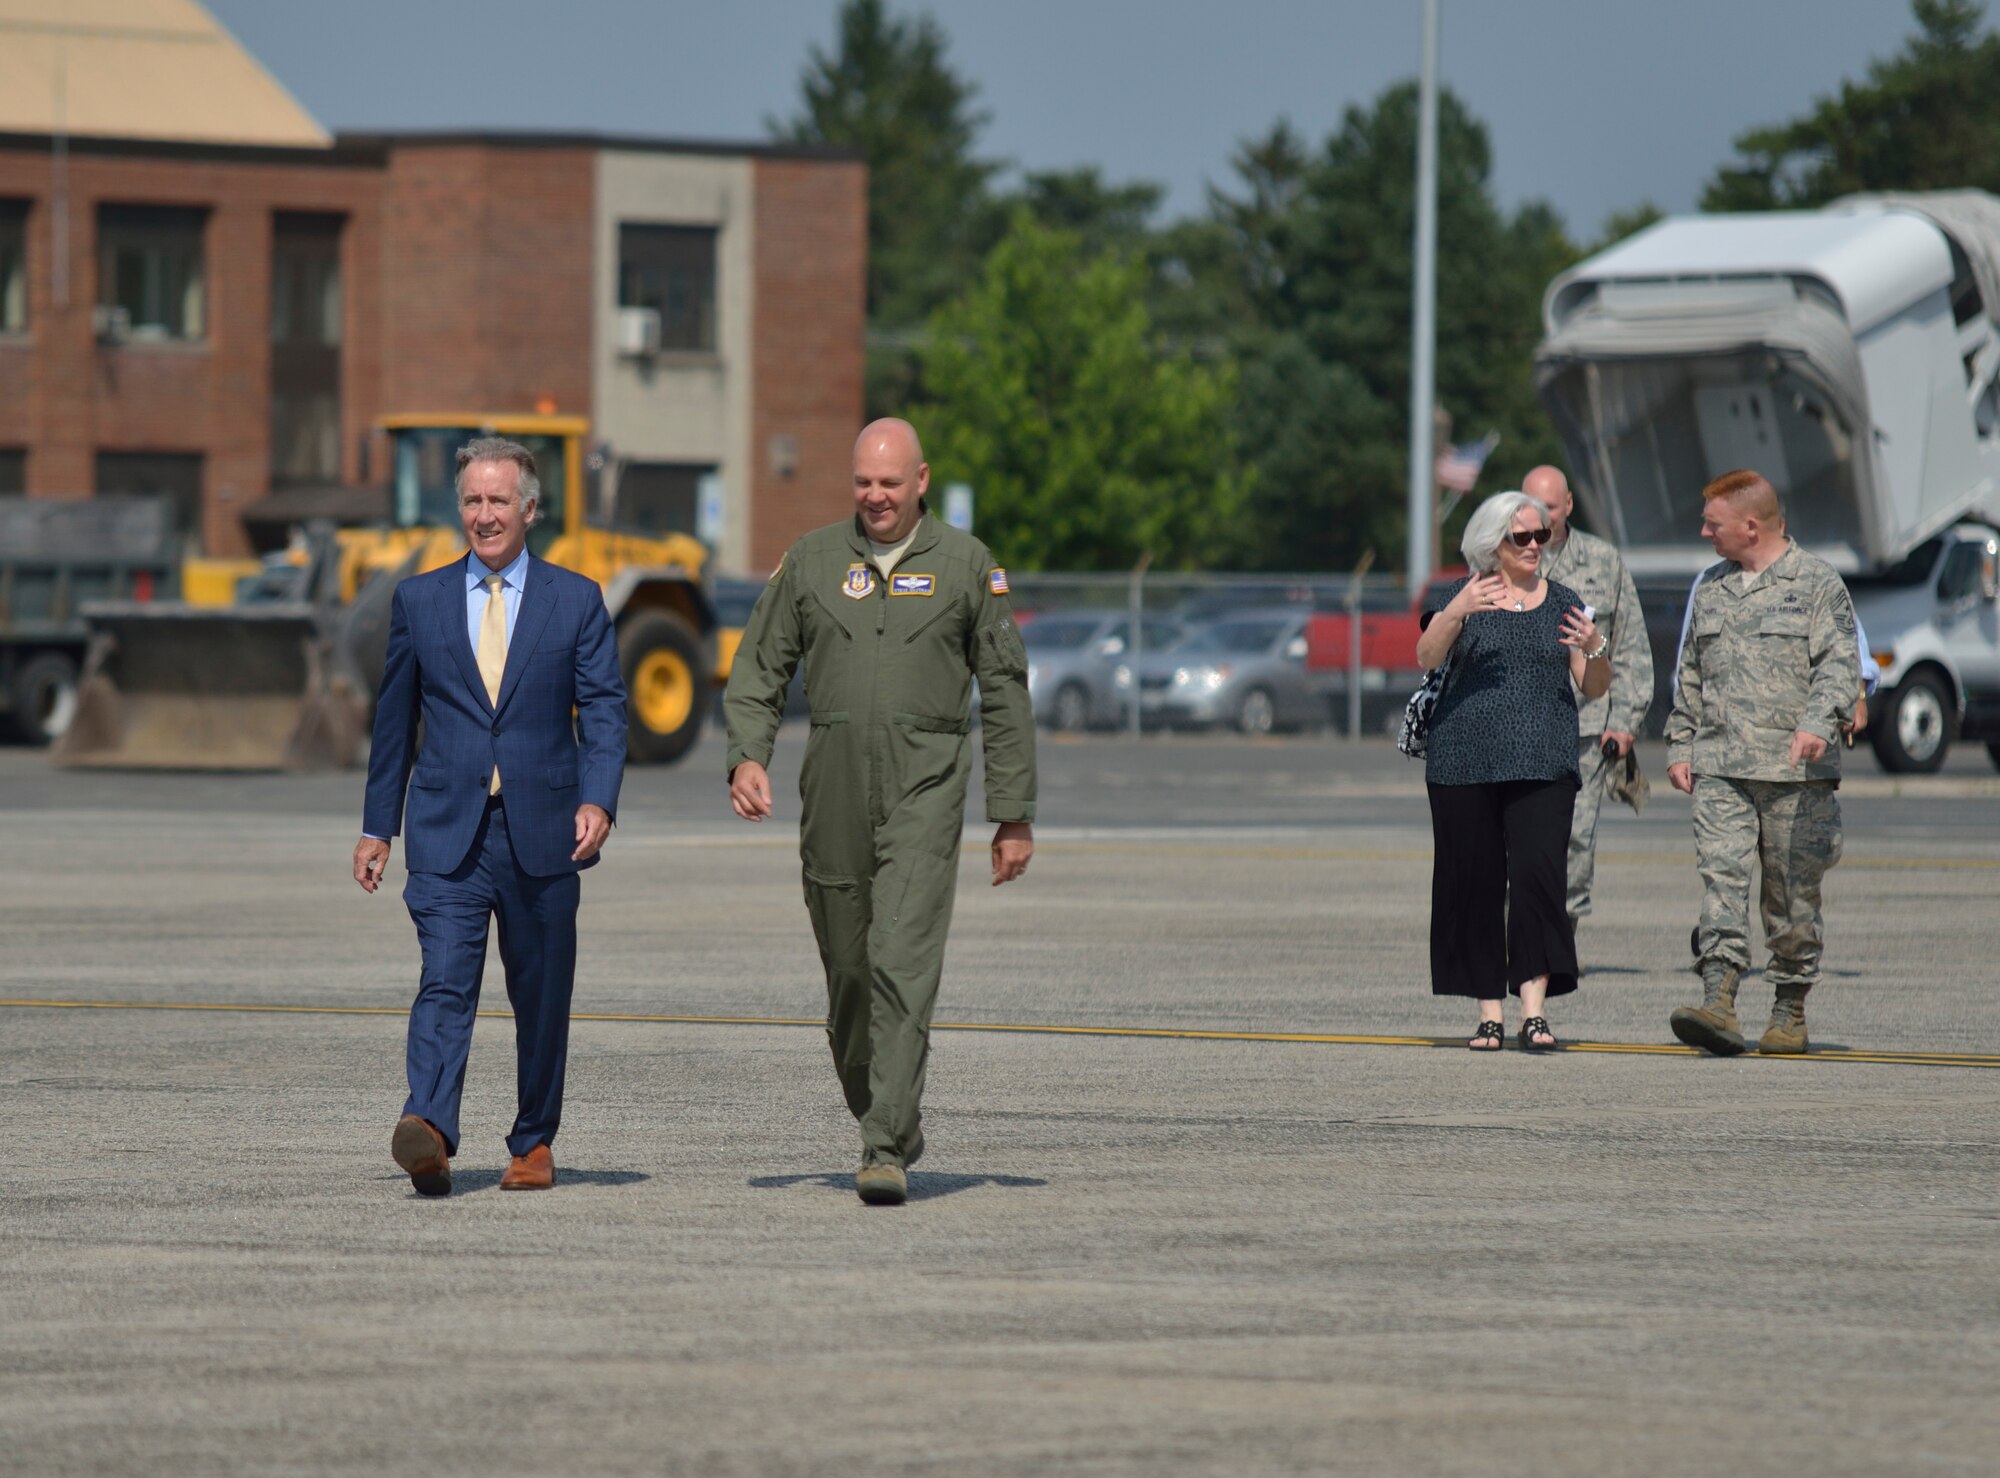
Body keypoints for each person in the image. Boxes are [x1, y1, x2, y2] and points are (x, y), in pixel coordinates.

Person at [723, 419, 1037, 1206]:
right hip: (830, 789)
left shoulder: (968, 566)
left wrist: (1013, 813)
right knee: (851, 974)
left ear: (921, 480)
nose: (875, 497)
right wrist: (748, 753)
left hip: (925, 787)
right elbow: (762, 662)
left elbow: (1003, 691)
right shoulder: (815, 560)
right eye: (864, 481)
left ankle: (884, 1143)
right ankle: (886, 1108)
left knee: (901, 958)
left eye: (889, 483)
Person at [353, 438, 626, 1196]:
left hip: (545, 830)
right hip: (448, 830)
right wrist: (380, 827)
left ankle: (533, 1143)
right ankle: (430, 1130)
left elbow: (604, 707)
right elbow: (394, 721)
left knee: (541, 993)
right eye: (472, 501)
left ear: (530, 510)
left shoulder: (577, 600)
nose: (484, 515)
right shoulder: (421, 600)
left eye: (498, 501)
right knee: (444, 979)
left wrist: (599, 797)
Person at [1664, 470, 1860, 1056]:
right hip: (1721, 765)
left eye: (1713, 524)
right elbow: (1690, 674)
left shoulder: (1819, 584)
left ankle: (1789, 1008)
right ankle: (1718, 1000)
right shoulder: (1711, 588)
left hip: (1795, 774)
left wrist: (1816, 724)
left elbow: (1840, 667)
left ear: (1751, 526)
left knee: (1792, 898)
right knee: (1720, 883)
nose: (1704, 533)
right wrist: (1680, 743)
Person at [1415, 491, 1610, 1051]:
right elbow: (1427, 657)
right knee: (1475, 885)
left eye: (1540, 536)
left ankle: (1534, 1010)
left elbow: (1593, 687)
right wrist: (1457, 612)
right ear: (1491, 545)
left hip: (1543, 762)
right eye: (1519, 538)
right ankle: (1488, 1013)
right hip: (1464, 763)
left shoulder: (1565, 601)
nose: (1533, 546)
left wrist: (1596, 649)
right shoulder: (1462, 595)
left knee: (1538, 882)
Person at [1520, 466, 1653, 936]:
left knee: (1574, 838)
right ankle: (1518, 939)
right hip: (1514, 731)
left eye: (1550, 508)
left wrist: (1626, 719)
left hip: (1584, 728)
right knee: (1513, 841)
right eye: (1532, 506)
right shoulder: (1502, 559)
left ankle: (1559, 938)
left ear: (1569, 505)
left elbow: (1631, 646)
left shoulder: (1603, 561)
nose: (1541, 519)